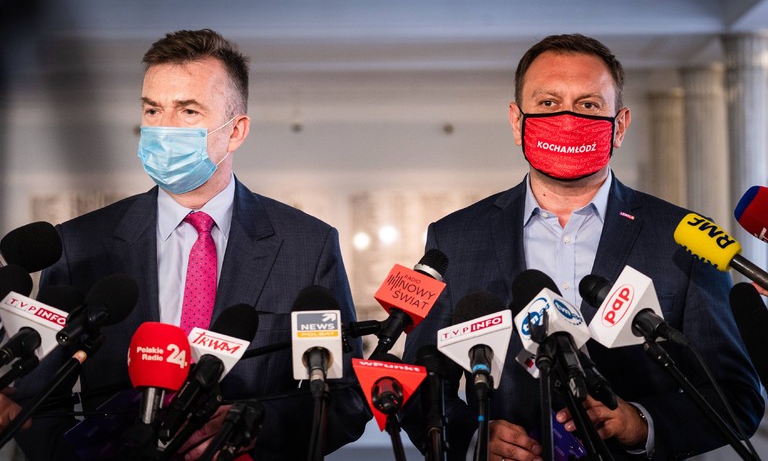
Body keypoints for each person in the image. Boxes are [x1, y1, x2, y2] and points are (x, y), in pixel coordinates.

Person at [401, 34, 764, 461]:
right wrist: (472, 439)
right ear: (517, 121)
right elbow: (419, 380)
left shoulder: (682, 237)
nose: (568, 119)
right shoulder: (455, 238)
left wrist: (642, 424)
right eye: (549, 103)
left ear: (620, 125)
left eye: (589, 105)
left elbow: (737, 394)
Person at [12, 29, 370, 460]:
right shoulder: (79, 245)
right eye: (152, 109)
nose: (163, 128)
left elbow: (346, 400)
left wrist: (252, 427)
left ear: (235, 131)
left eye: (187, 111)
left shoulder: (307, 247)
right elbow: (33, 401)